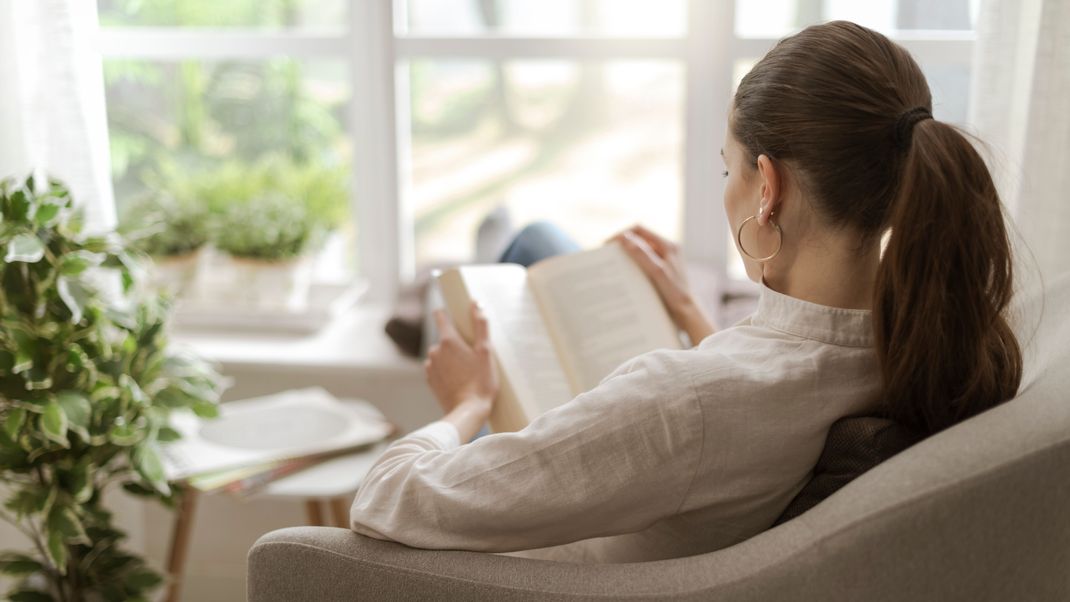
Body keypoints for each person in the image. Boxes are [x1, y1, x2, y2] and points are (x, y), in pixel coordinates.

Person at [349, 20, 1022, 563]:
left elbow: (387, 498)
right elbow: (768, 397)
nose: (726, 186)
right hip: (680, 448)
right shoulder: (926, 341)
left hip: (599, 498)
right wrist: (693, 315)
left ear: (769, 188)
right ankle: (500, 248)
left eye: (726, 168)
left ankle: (483, 259)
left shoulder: (684, 399)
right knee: (543, 244)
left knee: (529, 250)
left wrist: (466, 406)